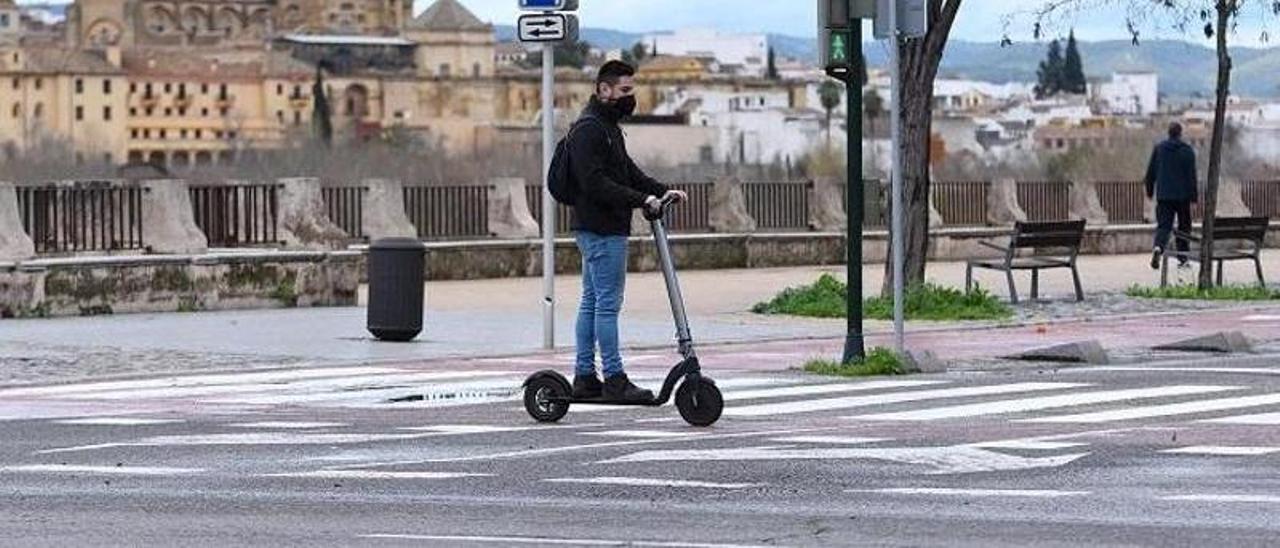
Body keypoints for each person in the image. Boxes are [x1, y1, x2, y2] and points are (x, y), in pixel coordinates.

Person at [566, 60, 686, 403]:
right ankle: (614, 378)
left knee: (592, 302)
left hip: (599, 226)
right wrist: (642, 199)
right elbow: (596, 183)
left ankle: (585, 377)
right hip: (601, 227)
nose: (629, 97)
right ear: (603, 90)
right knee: (607, 304)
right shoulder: (590, 129)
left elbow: (627, 172)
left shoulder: (606, 127)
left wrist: (661, 191)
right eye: (625, 91)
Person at [1144, 121, 1198, 271]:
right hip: (1183, 196)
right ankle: (1183, 257)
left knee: (1164, 226)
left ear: (1169, 133)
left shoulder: (1159, 149)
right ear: (1180, 134)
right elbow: (1191, 176)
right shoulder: (1188, 151)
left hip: (1164, 195)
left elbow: (1150, 173)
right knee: (1184, 227)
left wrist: (1149, 191)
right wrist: (1194, 198)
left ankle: (1158, 248)